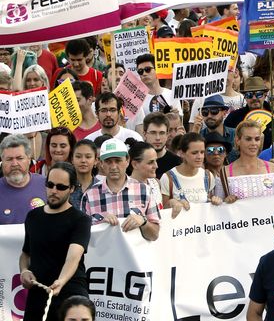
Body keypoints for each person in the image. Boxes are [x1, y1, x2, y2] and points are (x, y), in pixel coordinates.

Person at [19, 161, 91, 321]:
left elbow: (74, 256)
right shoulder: (33, 217)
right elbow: (25, 254)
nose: (53, 191)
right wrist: (24, 271)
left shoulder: (80, 220)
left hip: (70, 294)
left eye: (61, 187)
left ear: (72, 188)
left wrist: (61, 281)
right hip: (38, 294)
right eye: (50, 185)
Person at [80, 139, 160, 240]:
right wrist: (100, 224)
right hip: (103, 254)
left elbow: (154, 235)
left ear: (127, 161)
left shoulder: (145, 190)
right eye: (108, 162)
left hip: (135, 255)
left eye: (118, 161)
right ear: (101, 163)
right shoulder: (89, 195)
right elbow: (81, 236)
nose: (113, 166)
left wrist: (143, 221)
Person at [161, 133, 223, 217]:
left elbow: (209, 204)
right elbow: (162, 210)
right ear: (182, 153)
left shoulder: (208, 176)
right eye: (194, 153)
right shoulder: (168, 178)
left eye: (202, 152)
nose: (199, 156)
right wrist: (172, 203)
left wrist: (215, 200)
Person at [223, 121, 274, 202]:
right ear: (238, 140)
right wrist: (226, 201)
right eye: (248, 139)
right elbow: (219, 206)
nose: (253, 143)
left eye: (257, 139)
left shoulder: (272, 169)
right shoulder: (225, 172)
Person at [0, 134, 47, 225]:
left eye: (19, 158)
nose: (14, 164)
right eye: (9, 159)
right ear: (2, 161)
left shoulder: (47, 185)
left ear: (29, 159)